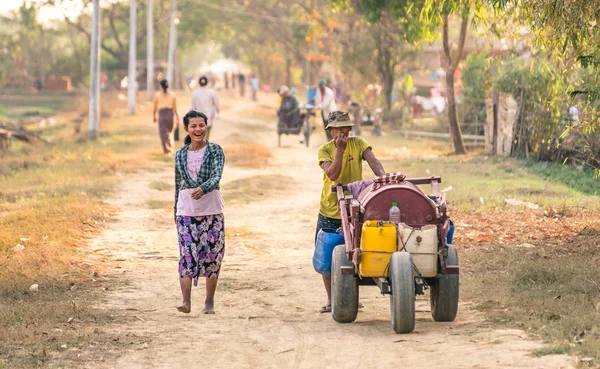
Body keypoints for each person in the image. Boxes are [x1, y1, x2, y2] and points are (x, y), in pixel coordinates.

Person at [316, 111, 385, 313]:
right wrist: (340, 151)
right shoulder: (325, 150)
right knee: (328, 256)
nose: (344, 132)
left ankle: (351, 297)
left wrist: (384, 178)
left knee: (355, 252)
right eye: (339, 128)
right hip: (330, 209)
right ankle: (331, 299)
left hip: (355, 208)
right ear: (331, 131)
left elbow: (373, 161)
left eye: (346, 127)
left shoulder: (359, 143)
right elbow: (333, 174)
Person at [174, 110, 226, 314]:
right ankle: (186, 302)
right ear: (186, 128)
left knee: (213, 256)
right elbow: (177, 184)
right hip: (186, 212)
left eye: (201, 125)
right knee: (187, 255)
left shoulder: (215, 151)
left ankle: (209, 303)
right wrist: (174, 211)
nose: (198, 129)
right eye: (193, 126)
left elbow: (217, 175)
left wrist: (203, 188)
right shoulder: (180, 154)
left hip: (212, 211)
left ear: (206, 126)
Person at [153, 79, 179, 155]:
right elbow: (175, 107)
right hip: (170, 114)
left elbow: (154, 107)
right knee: (170, 131)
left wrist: (154, 116)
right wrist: (177, 117)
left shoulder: (157, 95)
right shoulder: (172, 94)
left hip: (162, 114)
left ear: (160, 86)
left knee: (163, 133)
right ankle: (170, 148)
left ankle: (167, 150)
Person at [190, 76, 220, 141]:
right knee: (207, 133)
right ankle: (205, 145)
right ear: (207, 83)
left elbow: (192, 107)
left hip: (198, 117)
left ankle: (202, 146)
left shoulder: (195, 93)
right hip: (209, 116)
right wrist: (218, 112)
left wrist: (190, 117)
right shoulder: (211, 92)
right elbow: (216, 104)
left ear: (199, 83)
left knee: (200, 133)